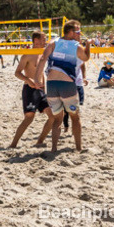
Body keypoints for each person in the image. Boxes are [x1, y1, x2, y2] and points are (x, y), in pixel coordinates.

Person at [34, 19, 90, 152]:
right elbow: (86, 58)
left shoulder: (53, 43)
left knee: (57, 119)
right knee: (75, 117)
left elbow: (42, 59)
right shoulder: (76, 45)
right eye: (78, 31)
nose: (80, 34)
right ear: (70, 32)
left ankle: (54, 148)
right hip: (66, 85)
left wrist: (37, 79)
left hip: (51, 84)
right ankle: (78, 148)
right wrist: (88, 45)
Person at [8, 32, 54, 148]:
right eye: (44, 39)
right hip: (30, 89)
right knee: (29, 118)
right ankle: (13, 144)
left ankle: (39, 142)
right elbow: (17, 73)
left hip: (41, 90)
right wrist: (29, 81)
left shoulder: (42, 54)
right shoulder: (27, 55)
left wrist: (44, 87)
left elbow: (41, 72)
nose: (45, 41)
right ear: (36, 41)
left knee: (52, 117)